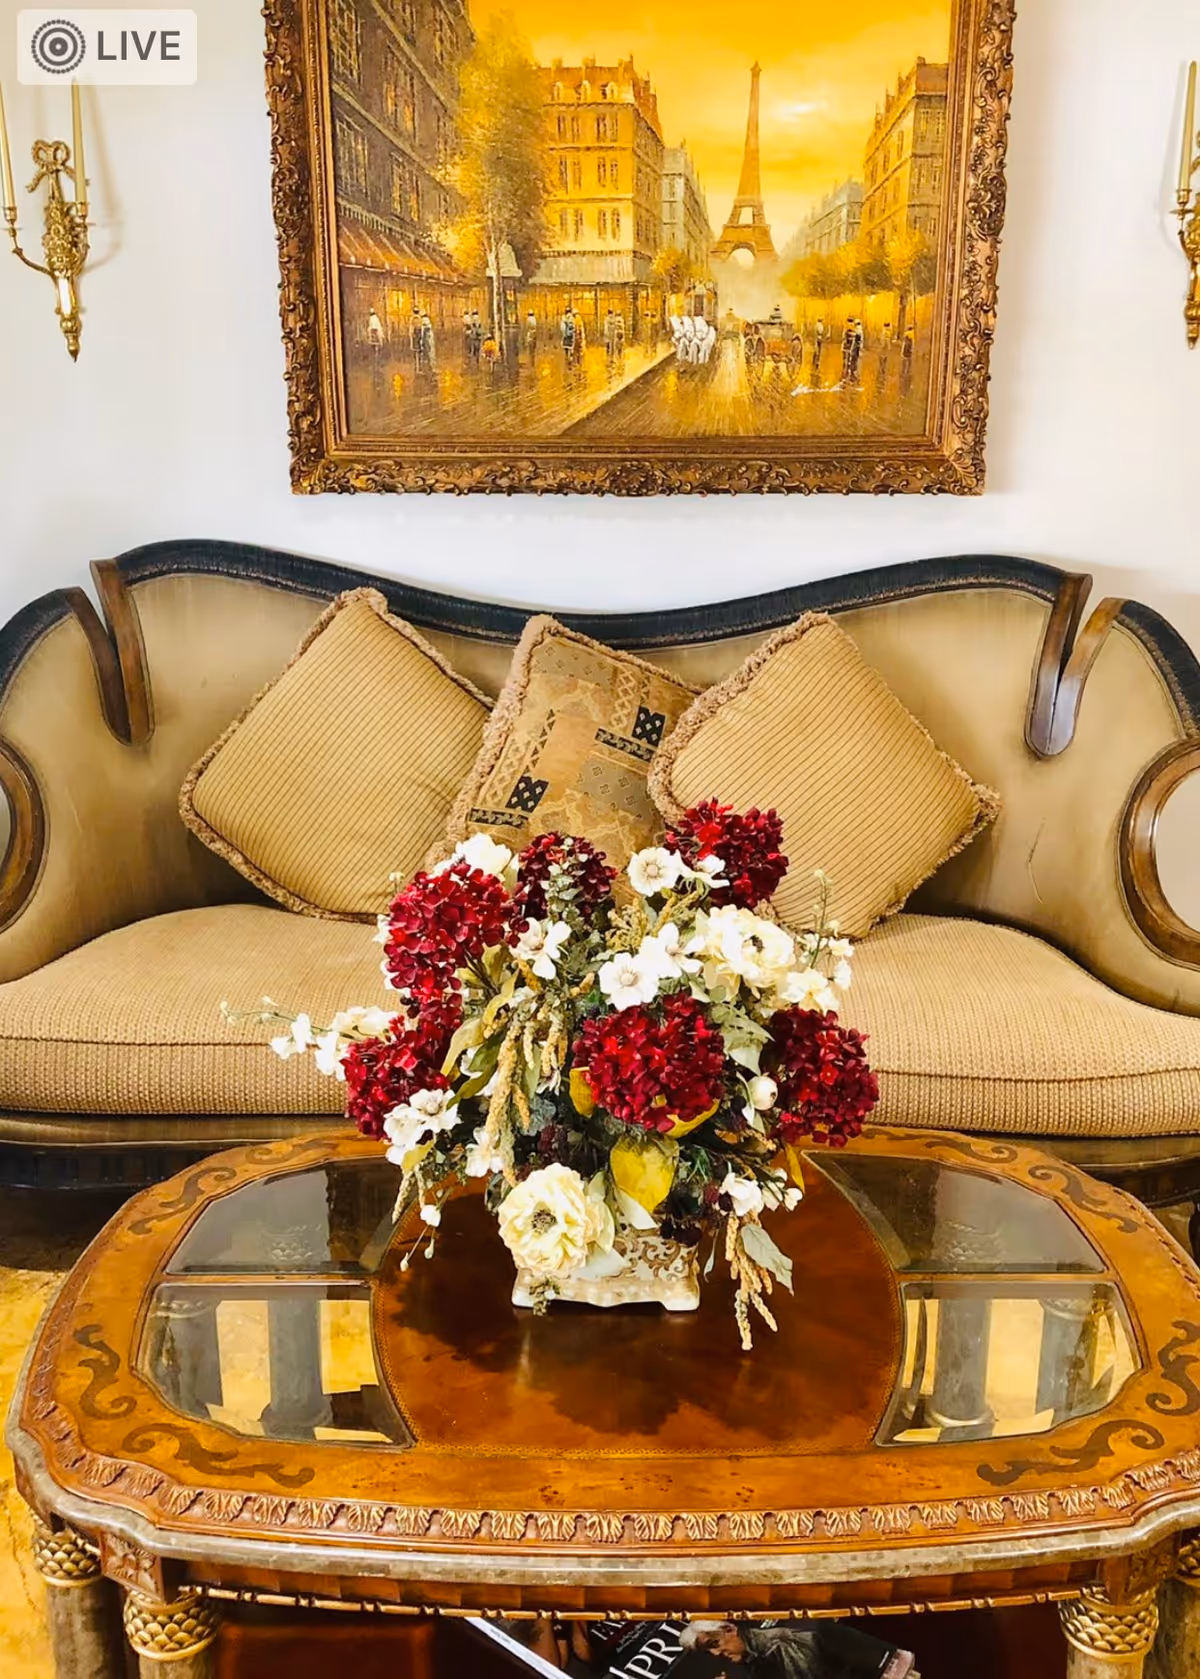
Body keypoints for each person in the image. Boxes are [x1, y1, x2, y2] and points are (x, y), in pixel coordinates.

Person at [900, 325, 915, 395]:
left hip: (905, 351)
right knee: (909, 362)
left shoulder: (905, 337)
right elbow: (912, 346)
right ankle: (907, 373)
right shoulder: (912, 337)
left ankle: (904, 373)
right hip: (909, 352)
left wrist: (902, 352)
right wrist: (912, 351)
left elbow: (903, 345)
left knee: (905, 362)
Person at [840, 316, 856, 383]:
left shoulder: (846, 327)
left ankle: (845, 368)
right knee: (849, 357)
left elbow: (843, 336)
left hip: (845, 345)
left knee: (845, 357)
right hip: (850, 345)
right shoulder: (853, 328)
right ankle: (847, 368)